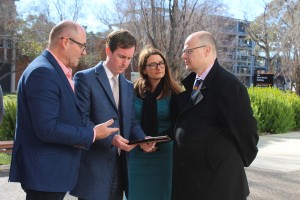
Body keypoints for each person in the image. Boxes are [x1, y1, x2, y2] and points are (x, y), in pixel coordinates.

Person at [9, 20, 118, 200]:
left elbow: (66, 116)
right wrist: (91, 134)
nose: (84, 52)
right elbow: (47, 129)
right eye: (82, 45)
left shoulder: (53, 70)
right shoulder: (43, 72)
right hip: (45, 176)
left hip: (50, 175)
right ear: (65, 42)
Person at [172, 31, 259, 200]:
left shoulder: (228, 86)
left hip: (217, 184)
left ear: (206, 50)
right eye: (184, 51)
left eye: (188, 51)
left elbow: (247, 132)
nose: (183, 55)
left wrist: (225, 162)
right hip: (190, 182)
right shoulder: (191, 83)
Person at [70, 30, 155, 200]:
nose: (126, 63)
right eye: (122, 56)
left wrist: (142, 139)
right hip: (94, 170)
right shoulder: (85, 78)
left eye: (130, 58)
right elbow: (81, 121)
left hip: (121, 167)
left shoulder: (127, 85)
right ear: (108, 50)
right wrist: (111, 139)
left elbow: (131, 121)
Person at [125, 46, 183, 200]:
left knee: (163, 194)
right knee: (137, 194)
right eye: (153, 64)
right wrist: (142, 141)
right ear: (144, 69)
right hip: (137, 153)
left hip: (165, 154)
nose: (159, 67)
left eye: (161, 63)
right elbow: (128, 120)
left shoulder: (175, 93)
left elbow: (179, 124)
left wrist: (156, 140)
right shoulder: (132, 91)